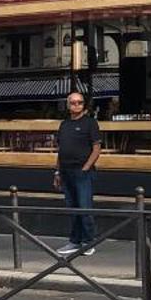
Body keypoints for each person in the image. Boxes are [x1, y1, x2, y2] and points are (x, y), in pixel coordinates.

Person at [53, 90, 102, 256]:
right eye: (73, 102)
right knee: (72, 207)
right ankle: (75, 241)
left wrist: (86, 167)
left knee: (84, 207)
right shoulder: (64, 125)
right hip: (66, 171)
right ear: (68, 105)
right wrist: (57, 172)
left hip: (82, 172)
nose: (76, 105)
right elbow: (61, 150)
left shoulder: (90, 123)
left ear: (83, 105)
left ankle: (89, 242)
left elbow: (96, 148)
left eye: (79, 102)